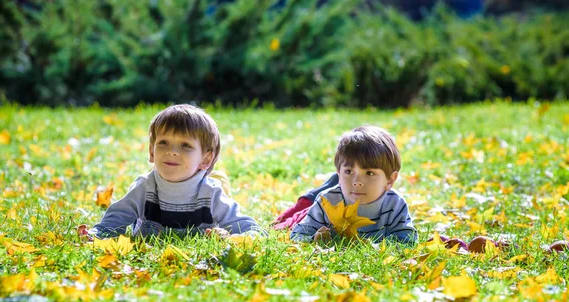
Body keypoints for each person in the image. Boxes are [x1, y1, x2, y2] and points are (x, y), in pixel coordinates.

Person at [82, 104, 261, 239]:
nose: (172, 151)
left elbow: (250, 228)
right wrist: (96, 234)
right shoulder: (145, 187)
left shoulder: (211, 192)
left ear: (205, 159)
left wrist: (236, 238)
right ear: (151, 152)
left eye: (185, 145)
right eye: (163, 143)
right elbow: (116, 218)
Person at [289, 125, 417, 244]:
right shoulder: (327, 201)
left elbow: (407, 240)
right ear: (339, 174)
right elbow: (297, 234)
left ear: (389, 180)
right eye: (349, 171)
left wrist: (374, 248)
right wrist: (314, 239)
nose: (357, 181)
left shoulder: (394, 204)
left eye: (369, 173)